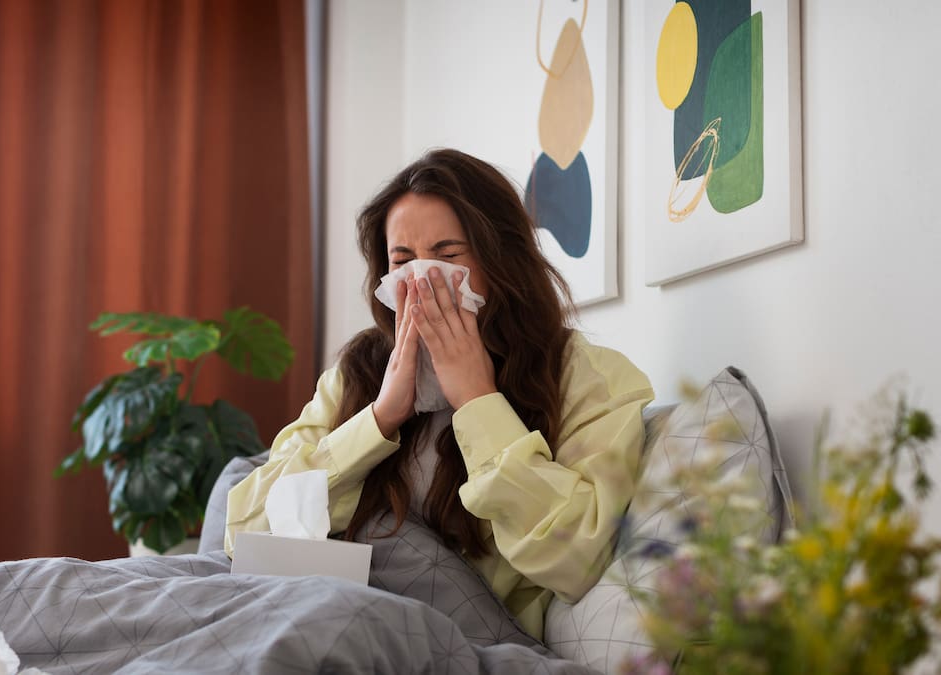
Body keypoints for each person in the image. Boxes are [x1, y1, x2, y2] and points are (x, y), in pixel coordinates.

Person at [225, 148, 654, 640]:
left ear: (500, 261)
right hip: (318, 613)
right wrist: (380, 418)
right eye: (402, 262)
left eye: (449, 257)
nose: (424, 281)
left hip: (448, 639)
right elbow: (244, 532)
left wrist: (478, 401)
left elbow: (576, 557)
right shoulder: (358, 373)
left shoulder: (587, 377)